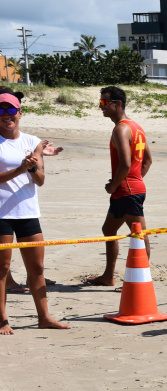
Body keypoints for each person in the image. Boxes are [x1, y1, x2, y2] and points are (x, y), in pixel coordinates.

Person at [0, 89, 70, 334]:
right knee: (2, 268)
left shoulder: (32, 141)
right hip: (1, 215)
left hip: (27, 213)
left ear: (20, 113)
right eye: (1, 111)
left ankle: (44, 317)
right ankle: (2, 320)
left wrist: (31, 167)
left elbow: (40, 180)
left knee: (37, 268)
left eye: (11, 110)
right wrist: (20, 169)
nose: (6, 115)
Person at [86, 86, 152, 288]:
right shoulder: (136, 127)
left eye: (105, 103)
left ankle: (141, 280)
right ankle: (108, 276)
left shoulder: (121, 129)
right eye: (100, 103)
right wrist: (133, 179)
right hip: (129, 189)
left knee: (139, 234)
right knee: (109, 229)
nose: (101, 107)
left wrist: (114, 185)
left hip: (126, 191)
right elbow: (147, 161)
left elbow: (125, 164)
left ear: (118, 104)